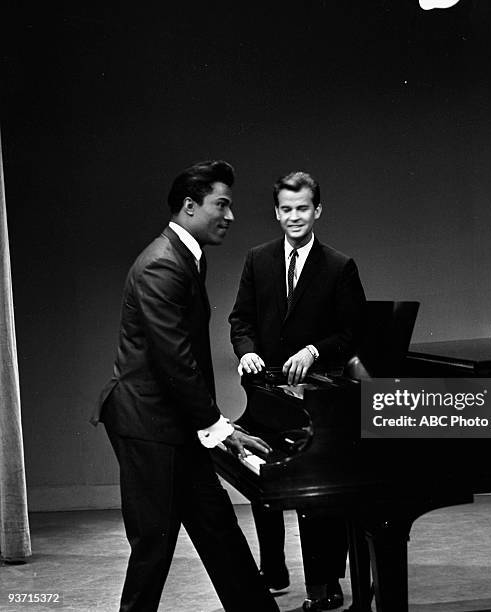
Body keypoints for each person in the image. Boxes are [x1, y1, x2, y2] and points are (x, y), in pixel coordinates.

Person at [90, 160, 280, 612]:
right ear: (190, 206)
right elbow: (174, 359)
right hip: (149, 425)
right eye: (222, 204)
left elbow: (182, 359)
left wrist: (214, 428)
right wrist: (222, 429)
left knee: (219, 533)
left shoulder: (187, 257)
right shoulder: (162, 264)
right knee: (154, 548)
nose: (230, 216)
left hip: (175, 423)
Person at [229, 171, 367, 611]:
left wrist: (313, 349)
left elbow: (353, 333)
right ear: (276, 212)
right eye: (286, 209)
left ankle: (325, 582)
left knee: (317, 492)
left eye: (302, 208)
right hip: (268, 395)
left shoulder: (339, 266)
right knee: (262, 476)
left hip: (318, 402)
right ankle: (273, 570)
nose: (294, 217)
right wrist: (247, 352)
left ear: (317, 210)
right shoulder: (258, 259)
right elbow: (240, 320)